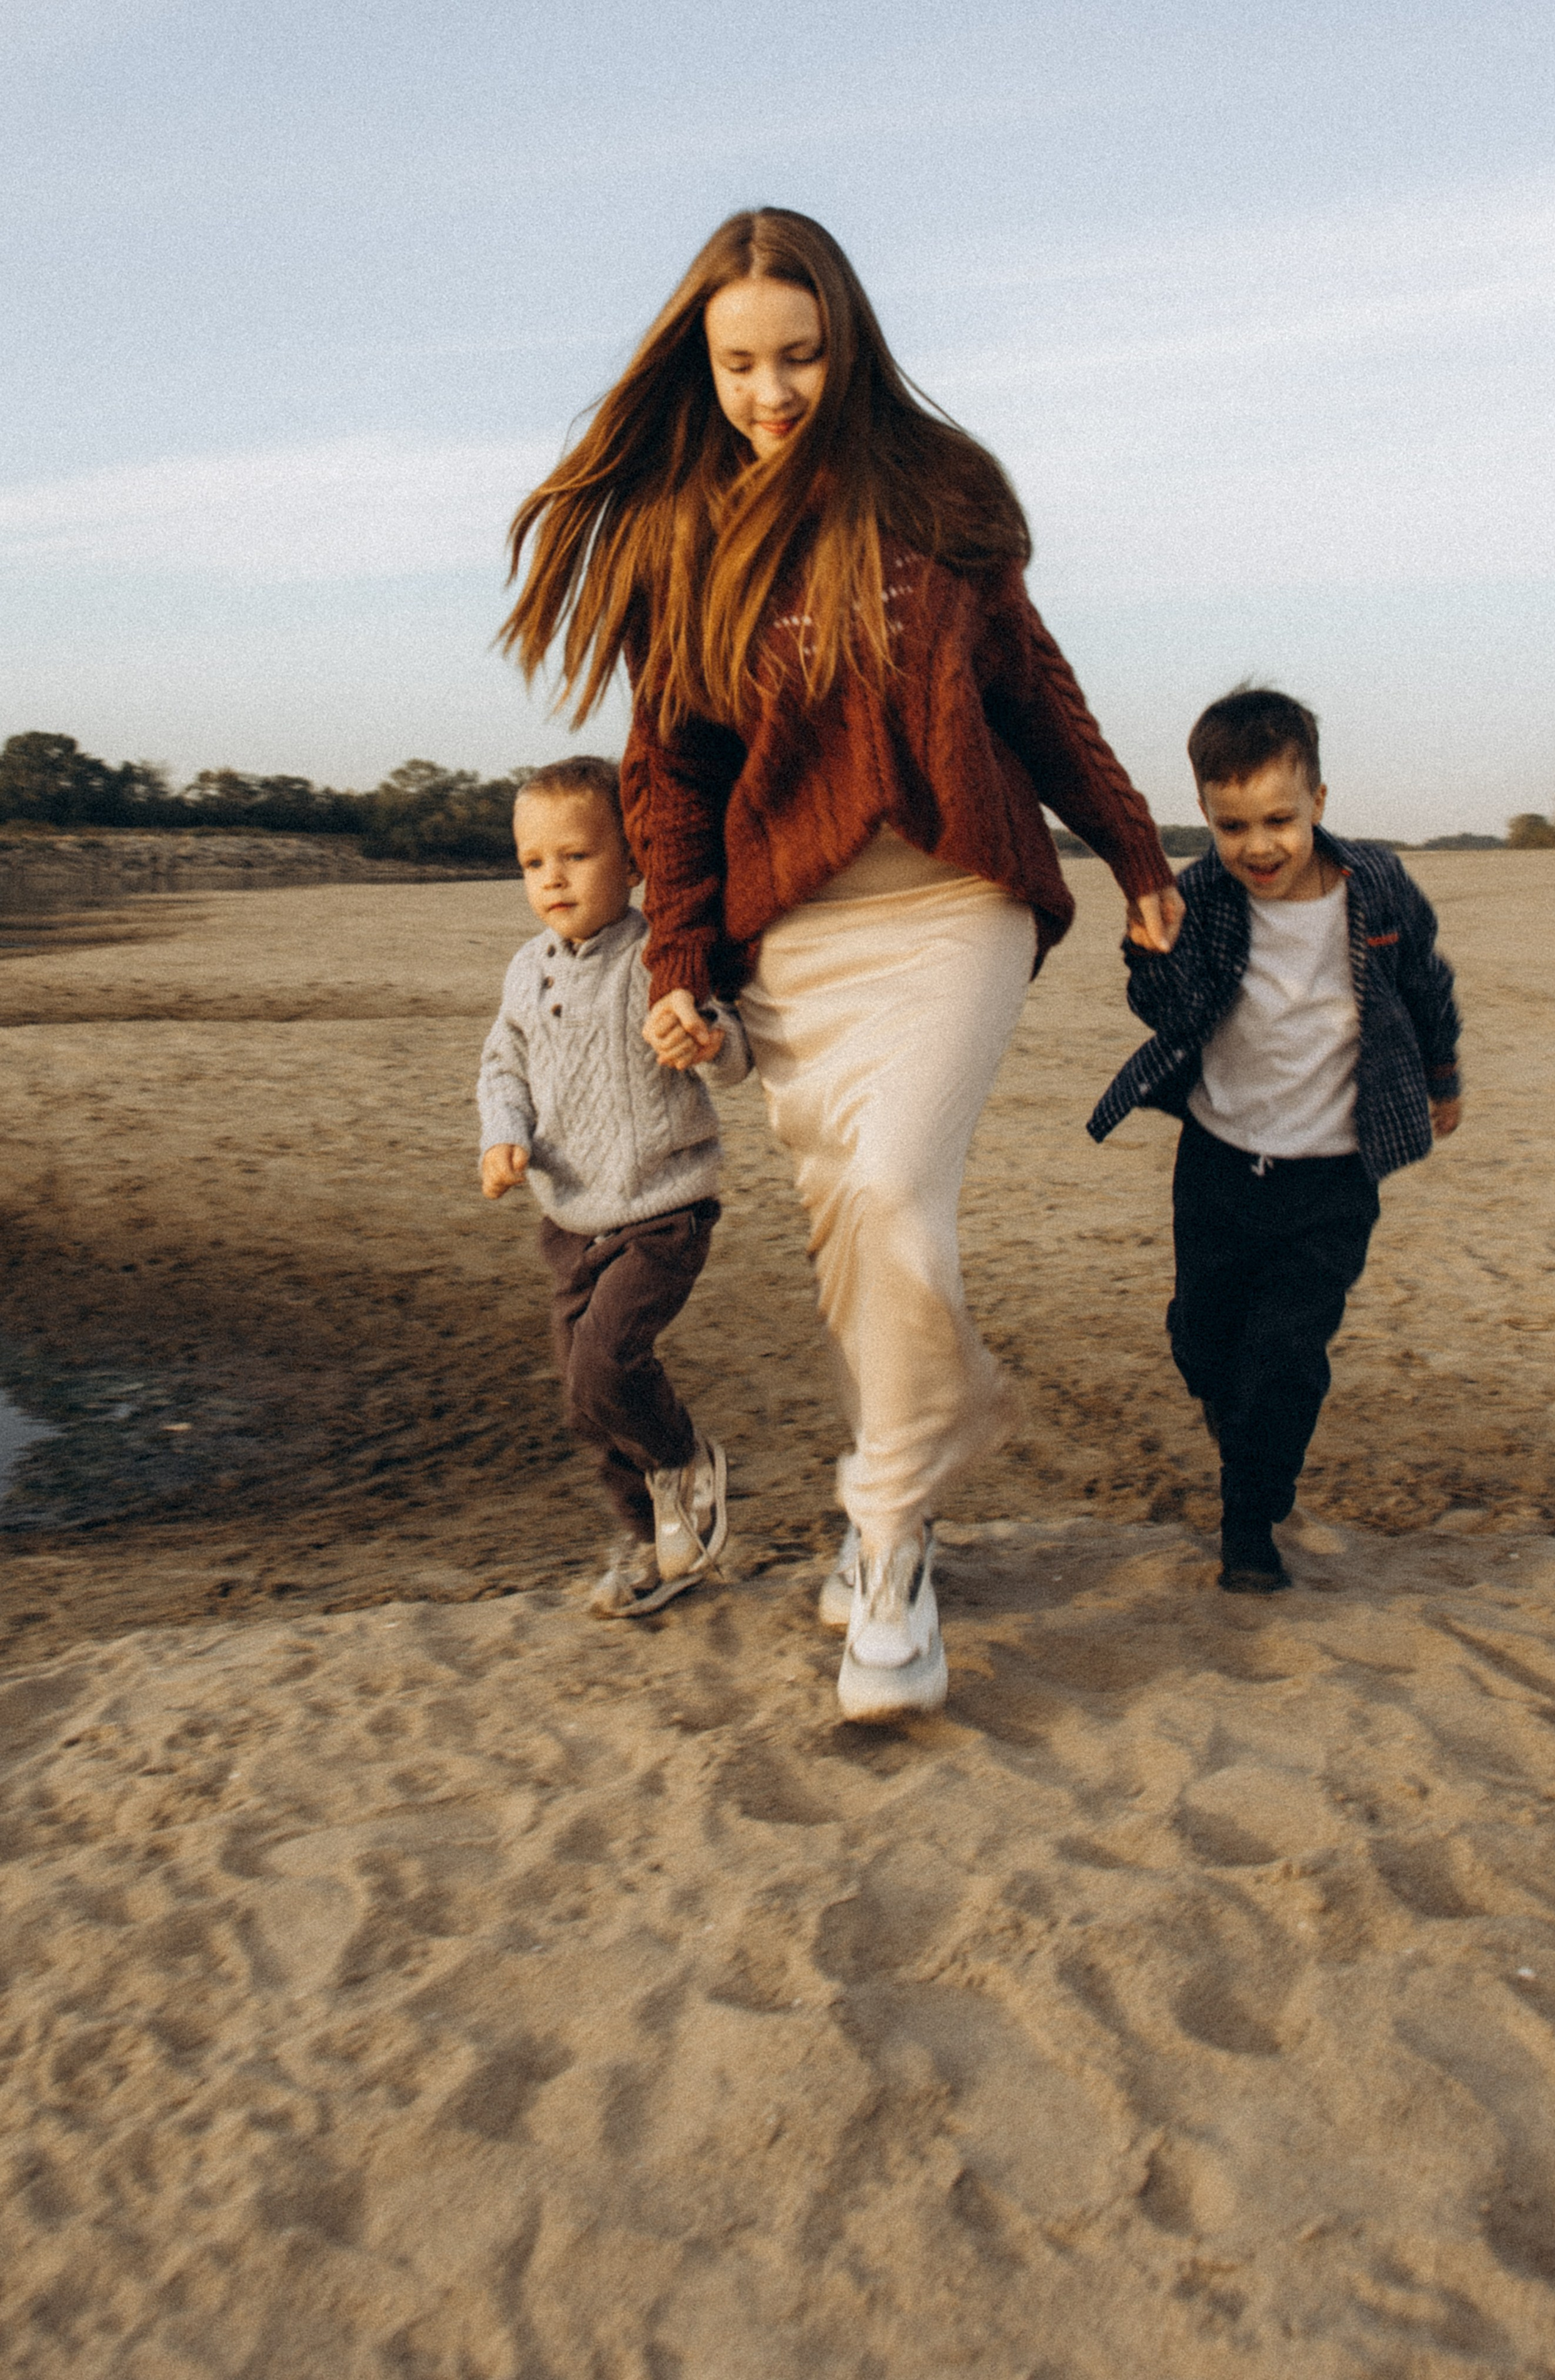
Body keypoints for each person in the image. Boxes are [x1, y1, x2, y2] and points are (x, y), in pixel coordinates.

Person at [501, 209, 1181, 1719]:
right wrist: (679, 954)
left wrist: (1135, 851)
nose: (770, 391)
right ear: (702, 361)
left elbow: (1033, 687)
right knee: (857, 1252)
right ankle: (907, 1494)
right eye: (739, 362)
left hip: (955, 909)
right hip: (789, 941)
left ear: (846, 340)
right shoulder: (680, 538)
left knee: (892, 1198)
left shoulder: (938, 492)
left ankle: (882, 1551)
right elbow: (668, 781)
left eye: (799, 355)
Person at [1089, 688, 1463, 1593]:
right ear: (1208, 818)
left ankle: (1251, 1519)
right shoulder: (1202, 896)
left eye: (1280, 820)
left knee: (1287, 1355)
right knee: (1205, 1340)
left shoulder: (1376, 887)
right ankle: (1225, 1399)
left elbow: (1426, 983)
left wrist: (1443, 1077)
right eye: (1233, 825)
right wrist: (1149, 952)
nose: (1259, 845)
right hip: (1218, 1164)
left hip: (1332, 1177)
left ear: (1319, 805)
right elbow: (1168, 1010)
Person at [477, 755, 751, 1617]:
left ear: (633, 861)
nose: (552, 878)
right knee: (584, 1399)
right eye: (533, 863)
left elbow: (738, 1044)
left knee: (607, 1362)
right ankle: (647, 1539)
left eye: (577, 856)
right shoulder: (527, 969)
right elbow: (503, 1066)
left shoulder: (660, 954)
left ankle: (684, 1464)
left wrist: (708, 1036)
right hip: (570, 1218)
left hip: (662, 1207)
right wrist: (503, 1137)